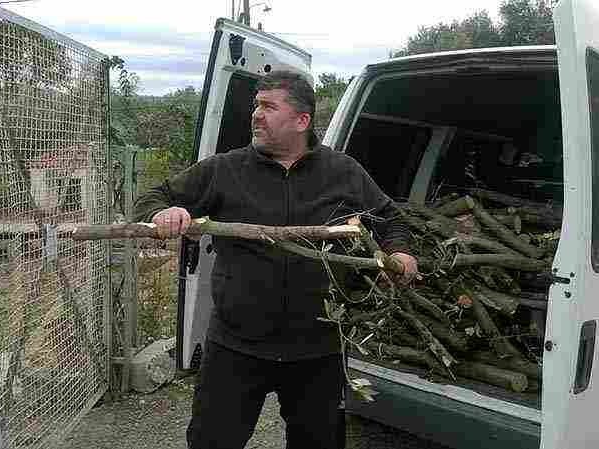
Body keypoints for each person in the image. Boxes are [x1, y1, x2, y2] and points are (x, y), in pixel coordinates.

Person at [134, 70, 418, 449]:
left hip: (318, 349)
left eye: (268, 107)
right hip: (235, 346)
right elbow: (154, 196)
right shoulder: (225, 169)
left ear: (301, 121)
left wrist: (400, 251)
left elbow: (389, 217)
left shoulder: (343, 172)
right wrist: (163, 212)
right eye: (256, 106)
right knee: (211, 441)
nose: (256, 114)